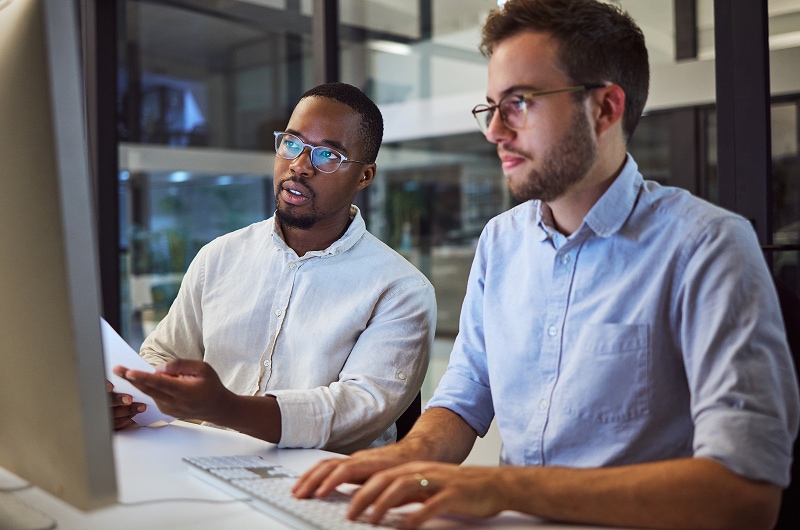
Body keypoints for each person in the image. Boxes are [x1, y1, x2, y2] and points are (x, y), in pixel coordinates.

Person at [292, 1, 800, 528]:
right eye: (491, 106)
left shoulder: (706, 246)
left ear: (605, 108)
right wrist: (405, 458)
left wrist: (504, 486)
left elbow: (746, 493)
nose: (494, 131)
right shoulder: (501, 242)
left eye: (520, 103)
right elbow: (465, 397)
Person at [110, 82, 437, 455]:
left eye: (327, 155)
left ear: (364, 176)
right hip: (203, 463)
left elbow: (356, 412)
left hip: (322, 486)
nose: (299, 166)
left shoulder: (401, 288)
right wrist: (132, 396)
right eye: (292, 144)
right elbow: (163, 353)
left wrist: (225, 409)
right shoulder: (219, 256)